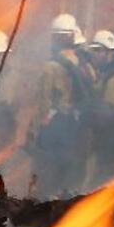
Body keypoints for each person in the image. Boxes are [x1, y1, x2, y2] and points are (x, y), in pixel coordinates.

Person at [30, 14, 96, 197]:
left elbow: (42, 105)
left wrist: (34, 136)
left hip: (56, 133)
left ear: (56, 38)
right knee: (72, 185)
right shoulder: (86, 64)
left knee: (47, 185)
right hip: (81, 131)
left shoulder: (50, 67)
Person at [82, 29, 114, 188]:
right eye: (94, 50)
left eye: (98, 50)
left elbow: (107, 114)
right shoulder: (106, 75)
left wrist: (84, 114)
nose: (94, 55)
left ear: (109, 53)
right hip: (104, 145)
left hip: (112, 149)